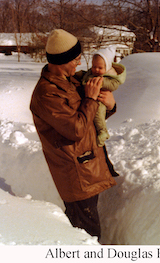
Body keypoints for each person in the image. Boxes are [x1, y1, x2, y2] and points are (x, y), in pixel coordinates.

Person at [30, 29, 118, 241]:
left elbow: (89, 120)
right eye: (76, 60)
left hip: (87, 167)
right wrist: (89, 99)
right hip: (76, 175)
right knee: (86, 236)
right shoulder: (47, 93)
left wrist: (110, 105)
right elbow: (76, 129)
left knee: (87, 231)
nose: (79, 64)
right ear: (62, 60)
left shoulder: (71, 82)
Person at [75, 46, 126, 147]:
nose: (96, 70)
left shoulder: (109, 76)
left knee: (98, 114)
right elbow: (85, 75)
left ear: (107, 67)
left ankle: (102, 131)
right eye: (94, 66)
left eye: (100, 68)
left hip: (100, 100)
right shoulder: (92, 73)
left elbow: (114, 85)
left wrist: (102, 83)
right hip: (91, 101)